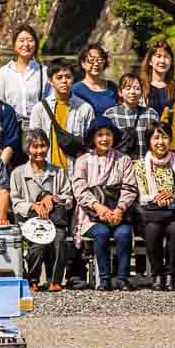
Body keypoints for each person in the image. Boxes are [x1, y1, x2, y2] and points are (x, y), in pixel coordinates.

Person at [71, 118, 138, 290]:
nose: (104, 139)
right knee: (101, 232)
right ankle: (105, 278)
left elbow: (130, 188)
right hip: (91, 214)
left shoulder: (124, 160)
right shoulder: (83, 160)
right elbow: (79, 189)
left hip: (117, 212)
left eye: (108, 134)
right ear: (93, 138)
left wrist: (120, 209)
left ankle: (122, 278)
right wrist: (98, 207)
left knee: (123, 233)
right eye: (99, 135)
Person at [9, 129, 74, 291]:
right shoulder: (18, 173)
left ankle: (55, 280)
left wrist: (53, 198)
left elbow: (68, 197)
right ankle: (33, 280)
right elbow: (15, 201)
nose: (39, 151)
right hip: (29, 222)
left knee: (59, 238)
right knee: (39, 242)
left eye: (43, 146)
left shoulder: (58, 171)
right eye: (34, 147)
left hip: (54, 220)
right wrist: (33, 205)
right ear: (27, 149)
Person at [132, 123, 175, 290]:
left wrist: (172, 196)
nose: (160, 142)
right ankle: (158, 274)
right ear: (149, 141)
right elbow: (141, 196)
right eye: (156, 137)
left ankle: (171, 274)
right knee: (153, 230)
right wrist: (158, 198)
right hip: (151, 213)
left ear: (170, 139)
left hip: (174, 212)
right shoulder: (140, 166)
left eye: (164, 137)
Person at [28, 61, 94, 173]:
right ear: (50, 80)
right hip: (48, 171)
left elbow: (90, 146)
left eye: (68, 77)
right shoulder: (40, 109)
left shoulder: (85, 109)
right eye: (59, 77)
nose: (64, 81)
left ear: (73, 79)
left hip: (76, 172)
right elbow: (32, 144)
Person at [0, 23, 48, 134]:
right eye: (21, 40)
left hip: (38, 128)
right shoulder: (4, 72)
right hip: (11, 127)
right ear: (14, 45)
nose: (26, 44)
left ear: (36, 44)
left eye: (30, 40)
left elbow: (50, 102)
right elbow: (0, 103)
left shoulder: (44, 72)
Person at [104, 72, 160, 160]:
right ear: (120, 92)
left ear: (141, 92)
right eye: (128, 88)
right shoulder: (110, 115)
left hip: (145, 165)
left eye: (137, 88)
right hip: (119, 166)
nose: (132, 92)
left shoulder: (151, 114)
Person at [72, 42, 119, 118]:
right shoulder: (76, 90)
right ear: (83, 63)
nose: (96, 64)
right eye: (92, 60)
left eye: (100, 60)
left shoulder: (112, 87)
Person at [140, 38, 175, 116]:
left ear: (171, 61)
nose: (162, 61)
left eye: (166, 57)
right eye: (158, 56)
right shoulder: (141, 86)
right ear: (150, 61)